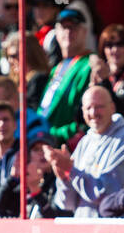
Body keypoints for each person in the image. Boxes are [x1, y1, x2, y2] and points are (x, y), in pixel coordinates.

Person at [46, 86, 124, 217]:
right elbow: (67, 204)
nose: (93, 112)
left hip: (114, 231)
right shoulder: (86, 141)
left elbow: (107, 193)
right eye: (88, 108)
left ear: (112, 108)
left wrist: (71, 169)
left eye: (99, 106)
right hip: (84, 232)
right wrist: (64, 177)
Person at [37, 8, 93, 145]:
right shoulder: (57, 67)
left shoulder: (89, 65)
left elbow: (86, 116)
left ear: (84, 32)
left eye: (74, 27)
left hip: (66, 144)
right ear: (56, 32)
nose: (68, 32)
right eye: (64, 27)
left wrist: (63, 134)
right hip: (43, 139)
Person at [88, 24, 124, 127]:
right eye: (109, 45)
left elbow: (123, 116)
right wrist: (92, 85)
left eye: (120, 44)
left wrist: (105, 81)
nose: (114, 50)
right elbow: (81, 116)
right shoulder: (100, 75)